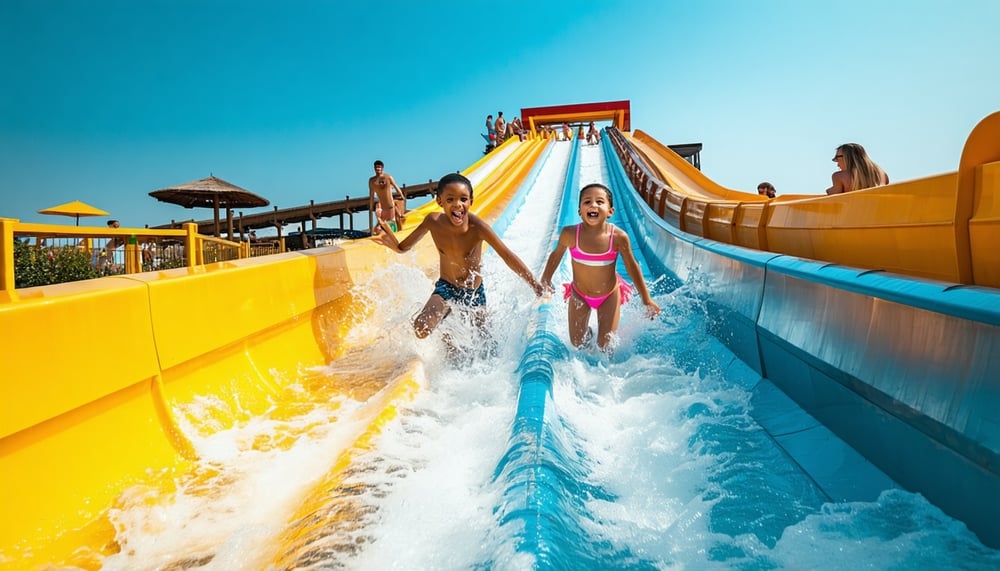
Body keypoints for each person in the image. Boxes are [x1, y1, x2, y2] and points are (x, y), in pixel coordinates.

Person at [373, 172, 545, 344]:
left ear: (471, 201)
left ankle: (452, 332)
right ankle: (447, 325)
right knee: (422, 328)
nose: (458, 205)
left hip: (474, 294)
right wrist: (393, 243)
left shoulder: (478, 227)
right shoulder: (432, 221)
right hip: (446, 288)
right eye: (450, 200)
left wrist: (535, 285)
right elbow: (404, 247)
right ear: (440, 201)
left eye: (463, 199)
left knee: (485, 346)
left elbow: (507, 255)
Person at [540, 183, 661, 351]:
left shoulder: (618, 237)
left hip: (608, 295)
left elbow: (632, 266)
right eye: (587, 202)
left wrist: (646, 299)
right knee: (578, 343)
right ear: (580, 211)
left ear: (610, 211)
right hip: (579, 294)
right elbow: (556, 255)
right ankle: (589, 333)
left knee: (605, 347)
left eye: (599, 201)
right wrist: (546, 278)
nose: (593, 205)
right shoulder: (570, 234)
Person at [369, 160, 406, 233]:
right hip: (382, 207)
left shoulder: (388, 177)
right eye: (376, 167)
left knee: (391, 225)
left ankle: (398, 236)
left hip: (390, 207)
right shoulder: (372, 181)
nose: (377, 169)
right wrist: (370, 206)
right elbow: (371, 194)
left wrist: (401, 195)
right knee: (380, 227)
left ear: (382, 168)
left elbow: (396, 186)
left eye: (379, 167)